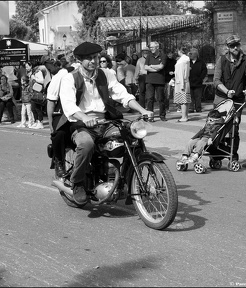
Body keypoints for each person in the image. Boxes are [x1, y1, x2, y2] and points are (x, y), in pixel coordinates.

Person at [57, 41, 154, 205]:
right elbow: (68, 106)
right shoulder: (69, 78)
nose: (93, 61)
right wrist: (84, 117)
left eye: (95, 57)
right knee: (86, 145)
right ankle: (78, 183)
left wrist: (142, 110)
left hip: (105, 121)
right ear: (80, 60)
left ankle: (129, 182)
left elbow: (122, 94)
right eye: (88, 58)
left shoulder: (106, 74)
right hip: (79, 124)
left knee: (131, 138)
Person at [213, 35, 246, 161]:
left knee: (233, 127)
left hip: (237, 100)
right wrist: (226, 91)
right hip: (221, 98)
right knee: (217, 126)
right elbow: (216, 80)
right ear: (228, 47)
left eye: (237, 45)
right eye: (232, 46)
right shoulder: (221, 60)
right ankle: (217, 154)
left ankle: (233, 155)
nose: (235, 47)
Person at [46, 64, 75, 177]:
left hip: (83, 111)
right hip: (63, 111)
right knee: (58, 133)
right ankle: (59, 161)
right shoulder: (62, 75)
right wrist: (50, 123)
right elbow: (51, 101)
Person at [145, 41, 168, 122]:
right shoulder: (149, 56)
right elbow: (145, 67)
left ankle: (162, 115)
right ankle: (150, 116)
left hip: (160, 80)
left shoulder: (163, 56)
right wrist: (156, 69)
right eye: (150, 48)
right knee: (149, 99)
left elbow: (161, 67)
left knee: (161, 99)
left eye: (152, 47)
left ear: (157, 47)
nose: (151, 49)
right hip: (150, 80)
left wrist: (151, 66)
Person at [173, 46, 191, 122]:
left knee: (182, 100)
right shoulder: (186, 59)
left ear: (179, 51)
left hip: (181, 82)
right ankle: (185, 116)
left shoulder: (181, 61)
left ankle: (184, 117)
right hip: (185, 81)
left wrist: (181, 85)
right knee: (185, 100)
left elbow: (180, 73)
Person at [189, 48, 208, 113]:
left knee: (198, 96)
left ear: (196, 54)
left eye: (191, 53)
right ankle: (191, 108)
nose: (190, 55)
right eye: (190, 53)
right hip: (190, 81)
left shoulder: (201, 62)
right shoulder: (188, 61)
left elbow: (204, 71)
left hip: (198, 82)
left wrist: (201, 78)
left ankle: (198, 108)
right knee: (190, 96)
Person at [29, 61, 46, 129]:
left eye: (28, 66)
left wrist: (34, 78)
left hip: (38, 92)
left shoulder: (38, 72)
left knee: (37, 108)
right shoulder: (35, 72)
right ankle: (36, 121)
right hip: (34, 91)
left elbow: (42, 81)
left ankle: (40, 122)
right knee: (33, 108)